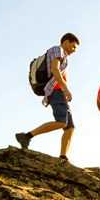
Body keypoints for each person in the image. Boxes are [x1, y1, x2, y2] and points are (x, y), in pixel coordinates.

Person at [15, 33, 80, 161]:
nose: (74, 51)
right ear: (66, 41)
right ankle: (26, 136)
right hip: (55, 91)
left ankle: (63, 156)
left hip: (59, 92)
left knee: (70, 127)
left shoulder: (64, 57)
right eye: (73, 47)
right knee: (62, 122)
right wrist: (66, 89)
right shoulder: (58, 50)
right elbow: (55, 70)